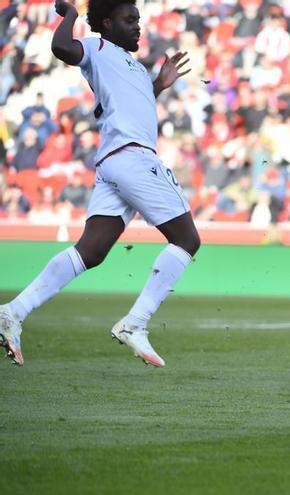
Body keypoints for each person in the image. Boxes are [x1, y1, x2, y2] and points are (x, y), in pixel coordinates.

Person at [0, 0, 200, 367]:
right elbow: (62, 47)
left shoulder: (136, 69)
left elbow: (131, 104)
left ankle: (13, 311)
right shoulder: (97, 48)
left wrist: (158, 85)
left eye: (138, 20)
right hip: (133, 157)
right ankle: (135, 324)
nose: (138, 26)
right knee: (187, 240)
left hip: (113, 163)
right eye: (129, 20)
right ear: (106, 23)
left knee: (89, 252)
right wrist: (70, 15)